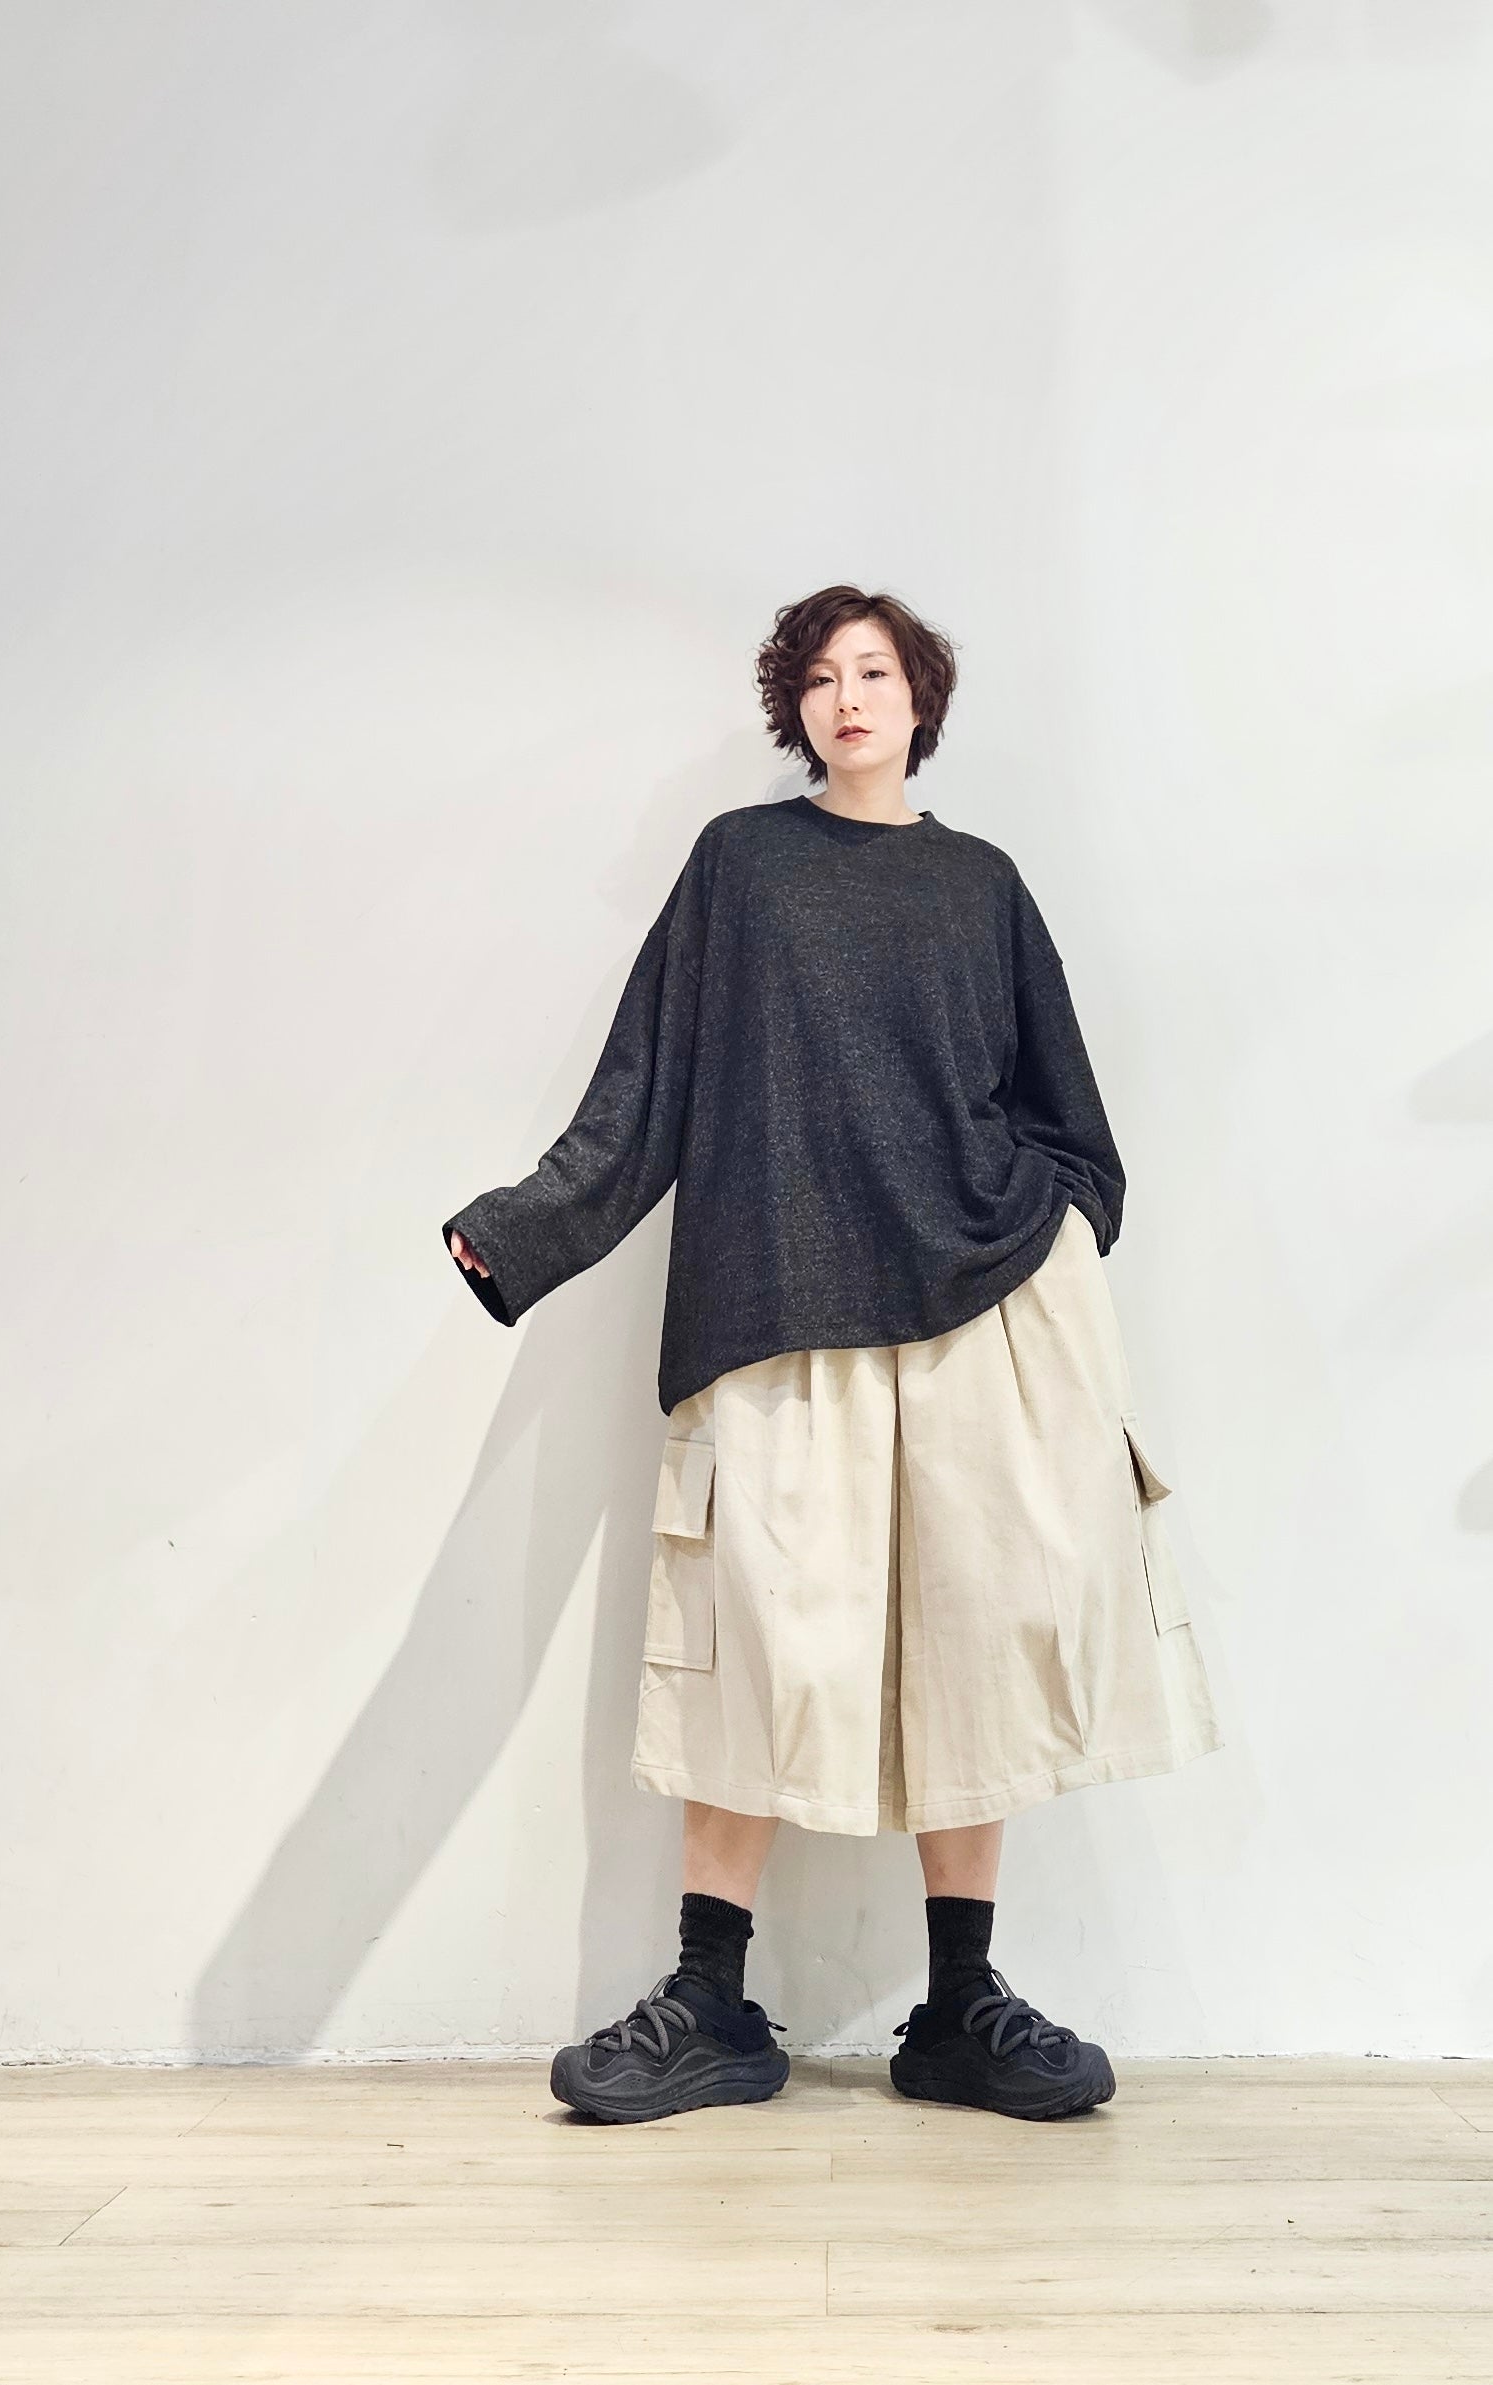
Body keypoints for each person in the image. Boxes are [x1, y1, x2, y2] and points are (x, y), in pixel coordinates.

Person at [443, 584, 1224, 2127]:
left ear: (920, 698)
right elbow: (648, 1081)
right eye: (817, 677)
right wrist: (526, 1230)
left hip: (986, 1310)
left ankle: (961, 2005)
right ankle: (710, 2003)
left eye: (873, 671)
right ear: (792, 709)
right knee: (757, 1638)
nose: (846, 696)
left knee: (983, 1636)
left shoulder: (983, 886)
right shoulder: (743, 866)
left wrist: (1057, 1234)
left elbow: (1074, 1125)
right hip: (782, 1299)